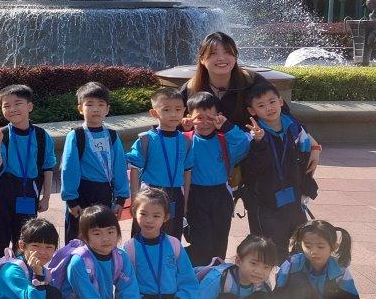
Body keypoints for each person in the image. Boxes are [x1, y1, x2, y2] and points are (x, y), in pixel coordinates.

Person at [126, 188, 208, 299]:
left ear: (166, 217)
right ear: (134, 213)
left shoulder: (174, 244)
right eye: (143, 214)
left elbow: (189, 282)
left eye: (156, 216)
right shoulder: (129, 248)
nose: (149, 220)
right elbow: (126, 288)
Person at [241, 82, 320, 260]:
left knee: (299, 245)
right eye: (261, 105)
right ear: (252, 111)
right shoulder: (251, 135)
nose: (269, 108)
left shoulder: (295, 129)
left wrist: (305, 186)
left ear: (281, 102)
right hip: (265, 203)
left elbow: (305, 161)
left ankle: (294, 277)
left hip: (293, 197)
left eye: (272, 102)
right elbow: (250, 171)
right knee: (270, 250)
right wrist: (259, 143)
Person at [0, 84, 57, 259]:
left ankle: (23, 271)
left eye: (17, 103)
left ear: (29, 106)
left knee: (25, 239)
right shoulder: (2, 134)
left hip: (28, 191)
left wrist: (46, 197)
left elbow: (47, 168)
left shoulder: (41, 136)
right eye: (6, 105)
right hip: (2, 193)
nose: (12, 109)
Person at [184, 91, 250, 266]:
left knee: (220, 239)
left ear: (219, 116)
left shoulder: (224, 140)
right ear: (189, 118)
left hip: (221, 195)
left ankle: (217, 272)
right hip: (196, 195)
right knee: (200, 240)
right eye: (199, 118)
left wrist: (227, 126)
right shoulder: (186, 140)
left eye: (210, 118)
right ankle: (196, 271)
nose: (205, 122)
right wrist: (181, 128)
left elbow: (243, 145)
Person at [59, 81, 130, 243]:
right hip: (82, 193)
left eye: (101, 104)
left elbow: (119, 166)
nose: (95, 109)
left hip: (105, 192)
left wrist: (120, 199)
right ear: (80, 108)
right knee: (78, 237)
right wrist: (71, 200)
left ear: (107, 109)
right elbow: (69, 168)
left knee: (103, 235)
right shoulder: (76, 135)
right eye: (89, 104)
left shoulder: (112, 135)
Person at [276, 219, 360, 299]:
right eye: (307, 246)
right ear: (300, 244)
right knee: (297, 282)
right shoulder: (292, 264)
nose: (313, 251)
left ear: (334, 247)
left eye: (320, 247)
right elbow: (278, 295)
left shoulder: (339, 270)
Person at [126, 88, 193, 240]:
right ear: (154, 113)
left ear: (184, 110)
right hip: (150, 194)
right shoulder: (146, 139)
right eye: (167, 109)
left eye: (178, 109)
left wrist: (185, 201)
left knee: (172, 236)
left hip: (175, 194)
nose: (173, 114)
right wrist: (134, 199)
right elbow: (134, 170)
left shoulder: (185, 141)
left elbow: (187, 172)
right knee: (144, 235)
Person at [178, 31, 268, 130]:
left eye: (227, 52)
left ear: (235, 57)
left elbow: (277, 116)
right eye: (213, 53)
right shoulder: (190, 89)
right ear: (202, 59)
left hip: (247, 139)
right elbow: (173, 125)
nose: (221, 58)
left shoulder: (252, 82)